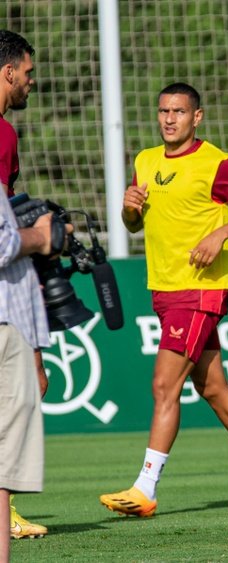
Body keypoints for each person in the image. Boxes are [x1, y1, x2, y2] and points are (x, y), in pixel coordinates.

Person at [99, 82, 228, 517]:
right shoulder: (145, 161)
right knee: (213, 386)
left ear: (196, 117)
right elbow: (133, 226)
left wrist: (221, 233)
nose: (169, 119)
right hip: (165, 287)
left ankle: (145, 488)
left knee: (165, 384)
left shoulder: (216, 163)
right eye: (163, 110)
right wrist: (130, 208)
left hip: (200, 288)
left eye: (179, 112)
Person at [0, 29, 53, 544]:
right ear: (9, 72)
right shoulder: (3, 135)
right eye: (29, 73)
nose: (32, 83)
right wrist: (41, 237)